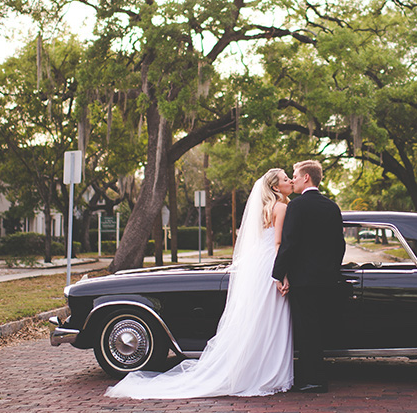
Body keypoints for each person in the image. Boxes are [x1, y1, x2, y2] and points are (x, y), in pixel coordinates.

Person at [106, 168, 295, 399]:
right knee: (272, 319)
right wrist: (281, 275)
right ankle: (268, 374)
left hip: (258, 266)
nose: (291, 181)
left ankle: (255, 369)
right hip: (271, 267)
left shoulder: (265, 209)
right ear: (275, 187)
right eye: (286, 179)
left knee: (259, 319)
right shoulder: (282, 207)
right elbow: (278, 245)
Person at [272, 160, 345, 393]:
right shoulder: (332, 207)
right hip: (327, 279)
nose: (292, 179)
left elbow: (289, 243)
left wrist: (278, 274)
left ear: (306, 178)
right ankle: (315, 376)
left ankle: (313, 380)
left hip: (303, 280)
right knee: (320, 329)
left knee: (306, 330)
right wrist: (332, 269)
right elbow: (339, 245)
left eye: (295, 175)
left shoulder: (297, 206)